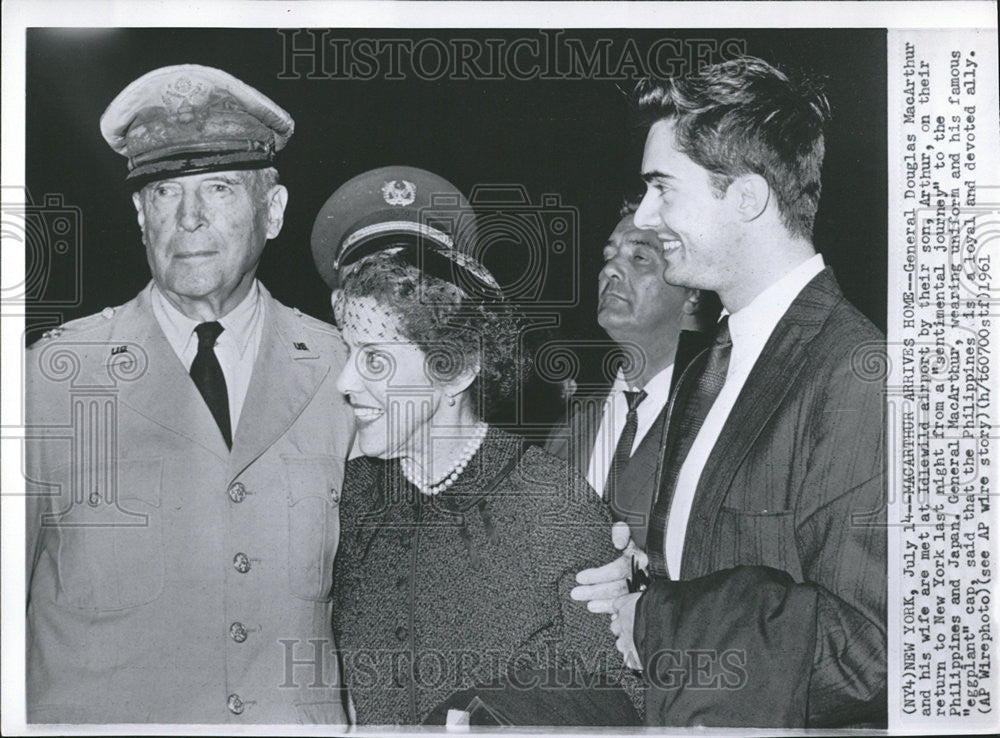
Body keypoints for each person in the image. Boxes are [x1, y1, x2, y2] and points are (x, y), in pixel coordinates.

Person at [25, 65, 354, 723]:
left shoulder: (342, 370)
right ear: (140, 214)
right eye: (165, 192)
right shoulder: (50, 378)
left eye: (220, 187)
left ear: (274, 210)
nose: (190, 217)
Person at [572, 56, 887, 728]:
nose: (648, 217)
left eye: (664, 189)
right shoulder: (708, 365)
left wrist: (657, 622)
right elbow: (712, 575)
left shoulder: (858, 373)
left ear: (746, 197)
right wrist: (641, 582)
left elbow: (868, 651)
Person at [311, 167, 640, 726]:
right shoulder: (352, 496)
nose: (344, 381)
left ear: (456, 367)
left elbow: (623, 701)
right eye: (348, 352)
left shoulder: (554, 509)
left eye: (373, 358)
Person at [545, 202, 717, 549]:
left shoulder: (719, 418)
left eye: (640, 258)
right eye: (609, 255)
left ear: (692, 293)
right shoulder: (567, 429)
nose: (610, 269)